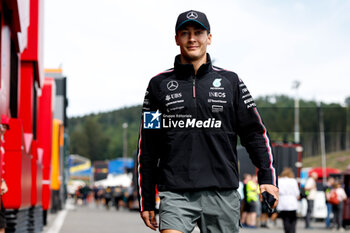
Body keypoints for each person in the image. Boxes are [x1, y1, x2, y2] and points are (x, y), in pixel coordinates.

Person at [137, 10, 279, 233]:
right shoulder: (158, 85)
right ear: (176, 39)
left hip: (222, 192)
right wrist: (146, 198)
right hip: (176, 192)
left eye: (198, 32)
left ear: (209, 38)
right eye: (185, 33)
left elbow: (254, 134)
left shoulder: (231, 81)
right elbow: (148, 146)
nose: (192, 38)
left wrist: (267, 177)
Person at [277, 168, 300, 233]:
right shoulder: (293, 181)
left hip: (283, 200)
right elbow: (296, 192)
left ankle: (287, 231)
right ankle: (292, 231)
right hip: (292, 201)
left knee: (285, 219)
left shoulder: (280, 181)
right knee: (293, 219)